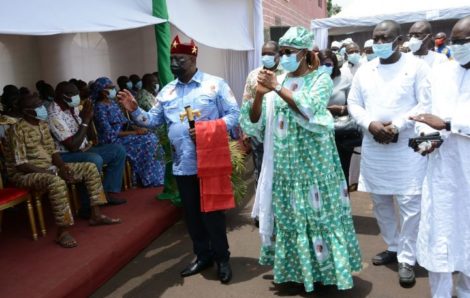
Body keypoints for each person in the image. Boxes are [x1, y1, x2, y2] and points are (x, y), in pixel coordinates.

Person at [240, 26, 362, 293]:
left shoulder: (321, 79)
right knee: (291, 218)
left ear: (304, 53)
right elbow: (254, 121)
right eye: (280, 52)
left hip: (315, 166)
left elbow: (309, 108)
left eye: (288, 52)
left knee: (319, 218)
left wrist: (276, 88)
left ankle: (325, 273)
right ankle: (297, 271)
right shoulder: (277, 78)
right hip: (286, 165)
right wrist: (260, 94)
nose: (282, 57)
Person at [117, 35, 239, 283]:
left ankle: (223, 259)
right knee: (192, 215)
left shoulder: (214, 85)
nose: (174, 63)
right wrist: (134, 110)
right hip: (183, 165)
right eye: (171, 59)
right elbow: (151, 121)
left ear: (193, 59)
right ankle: (202, 256)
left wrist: (209, 128)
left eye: (179, 59)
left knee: (213, 215)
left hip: (210, 164)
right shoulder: (167, 91)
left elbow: (235, 115)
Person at [348, 20, 431, 287]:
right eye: (375, 38)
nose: (379, 42)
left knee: (409, 203)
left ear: (398, 39)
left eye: (385, 37)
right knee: (380, 201)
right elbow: (353, 103)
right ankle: (393, 246)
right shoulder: (365, 69)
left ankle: (408, 257)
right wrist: (371, 124)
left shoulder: (416, 66)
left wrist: (397, 125)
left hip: (405, 145)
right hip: (374, 143)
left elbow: (424, 101)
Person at [4, 92, 121, 248]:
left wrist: (62, 167)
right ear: (26, 111)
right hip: (26, 173)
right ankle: (62, 232)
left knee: (90, 168)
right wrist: (50, 172)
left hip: (49, 168)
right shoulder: (16, 130)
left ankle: (96, 215)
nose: (42, 108)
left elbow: (53, 152)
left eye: (41, 104)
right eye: (37, 106)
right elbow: (21, 164)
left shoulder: (42, 125)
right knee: (56, 182)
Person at [410, 16, 470, 298]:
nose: (457, 46)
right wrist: (425, 138)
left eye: (463, 41)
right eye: (454, 41)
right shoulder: (440, 72)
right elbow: (423, 112)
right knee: (440, 236)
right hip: (442, 172)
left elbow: (441, 120)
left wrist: (447, 124)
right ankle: (441, 294)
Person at [47, 82, 127, 218]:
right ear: (62, 96)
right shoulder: (54, 114)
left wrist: (89, 119)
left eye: (76, 93)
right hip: (65, 155)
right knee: (94, 159)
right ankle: (87, 205)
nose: (76, 97)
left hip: (84, 149)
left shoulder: (73, 108)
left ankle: (106, 193)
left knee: (118, 150)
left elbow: (88, 134)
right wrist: (85, 120)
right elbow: (72, 146)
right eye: (72, 94)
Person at [91, 77, 165, 187]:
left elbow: (126, 122)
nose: (113, 90)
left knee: (151, 135)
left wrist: (137, 128)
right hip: (112, 140)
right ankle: (149, 179)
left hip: (124, 136)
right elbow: (109, 133)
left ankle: (157, 177)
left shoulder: (112, 103)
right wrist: (135, 133)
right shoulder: (99, 108)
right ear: (102, 90)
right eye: (110, 88)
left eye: (113, 87)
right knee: (148, 141)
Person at [242, 41, 284, 183]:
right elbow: (246, 101)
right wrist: (246, 131)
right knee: (260, 168)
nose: (266, 56)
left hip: (281, 128)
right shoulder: (254, 75)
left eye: (270, 54)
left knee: (279, 167)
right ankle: (261, 202)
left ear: (278, 55)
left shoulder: (286, 74)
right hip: (258, 128)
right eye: (264, 54)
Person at [318, 49, 355, 184]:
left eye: (328, 64)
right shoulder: (310, 80)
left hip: (340, 133)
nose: (324, 67)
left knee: (341, 172)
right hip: (318, 133)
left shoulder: (345, 79)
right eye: (320, 64)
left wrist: (342, 109)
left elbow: (356, 105)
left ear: (334, 64)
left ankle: (343, 202)